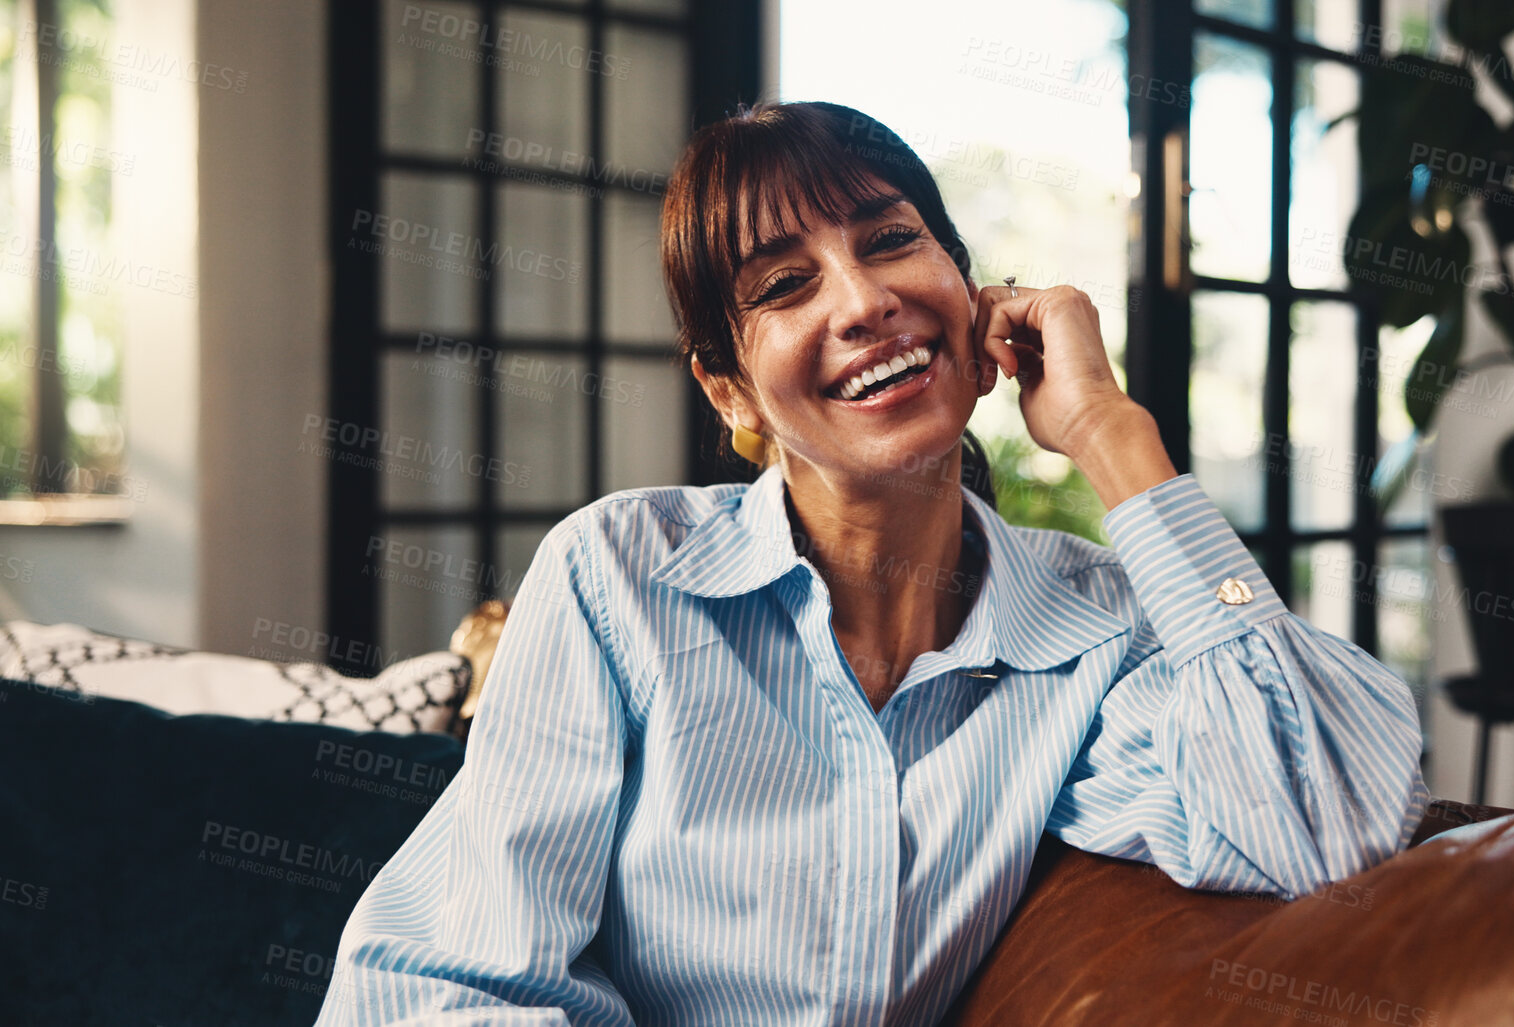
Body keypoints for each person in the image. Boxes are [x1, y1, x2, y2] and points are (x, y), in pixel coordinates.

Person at [316, 99, 1428, 1027]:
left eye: (892, 240)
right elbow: (458, 987)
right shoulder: (618, 578)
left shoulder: (1093, 630)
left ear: (975, 294)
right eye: (783, 285)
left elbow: (1322, 817)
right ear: (731, 390)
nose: (863, 301)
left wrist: (1112, 433)